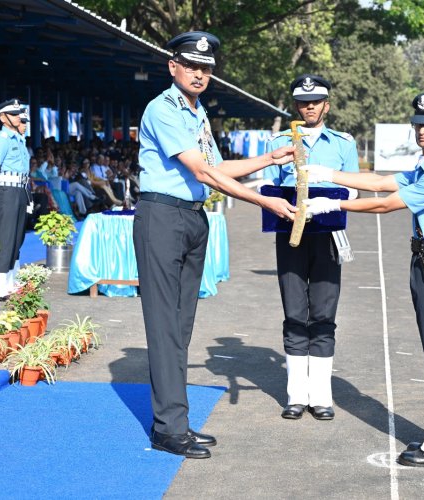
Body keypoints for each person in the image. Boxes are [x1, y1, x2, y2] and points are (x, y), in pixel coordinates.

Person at [135, 30, 296, 460]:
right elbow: (204, 174)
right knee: (166, 325)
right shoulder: (163, 108)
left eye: (206, 68)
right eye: (192, 65)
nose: (199, 73)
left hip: (191, 218)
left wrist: (267, 160)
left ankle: (174, 422)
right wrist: (264, 199)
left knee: (182, 324)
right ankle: (169, 429)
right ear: (173, 67)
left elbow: (217, 165)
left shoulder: (198, 112)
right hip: (163, 216)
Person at [303, 93, 424, 467]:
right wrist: (329, 175)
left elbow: (384, 203)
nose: (422, 131)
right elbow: (380, 182)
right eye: (418, 125)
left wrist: (335, 203)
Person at [262, 74, 359, 421]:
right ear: (296, 106)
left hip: (328, 234)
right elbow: (266, 185)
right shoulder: (279, 141)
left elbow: (355, 189)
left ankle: (320, 396)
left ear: (326, 105)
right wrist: (276, 199)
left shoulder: (344, 144)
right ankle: (295, 396)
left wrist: (331, 197)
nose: (310, 106)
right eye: (303, 102)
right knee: (293, 312)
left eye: (316, 101)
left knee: (323, 313)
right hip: (289, 234)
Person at [0, 99, 31, 300]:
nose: (18, 118)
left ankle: (11, 281)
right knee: (6, 237)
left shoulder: (19, 139)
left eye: (19, 115)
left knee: (18, 237)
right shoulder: (2, 138)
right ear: (3, 118)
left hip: (20, 189)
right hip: (7, 190)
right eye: (14, 115)